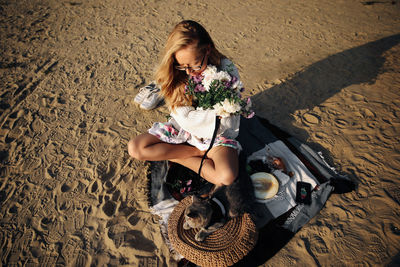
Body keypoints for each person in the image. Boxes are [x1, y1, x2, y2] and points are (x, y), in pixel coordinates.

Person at [128, 20, 242, 186]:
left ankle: (174, 155)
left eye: (194, 65)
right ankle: (192, 154)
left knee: (226, 176)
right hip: (185, 128)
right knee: (136, 148)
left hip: (216, 133)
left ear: (207, 49)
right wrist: (197, 150)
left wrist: (214, 118)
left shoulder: (226, 70)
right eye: (182, 66)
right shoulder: (177, 74)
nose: (189, 72)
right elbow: (183, 117)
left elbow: (226, 121)